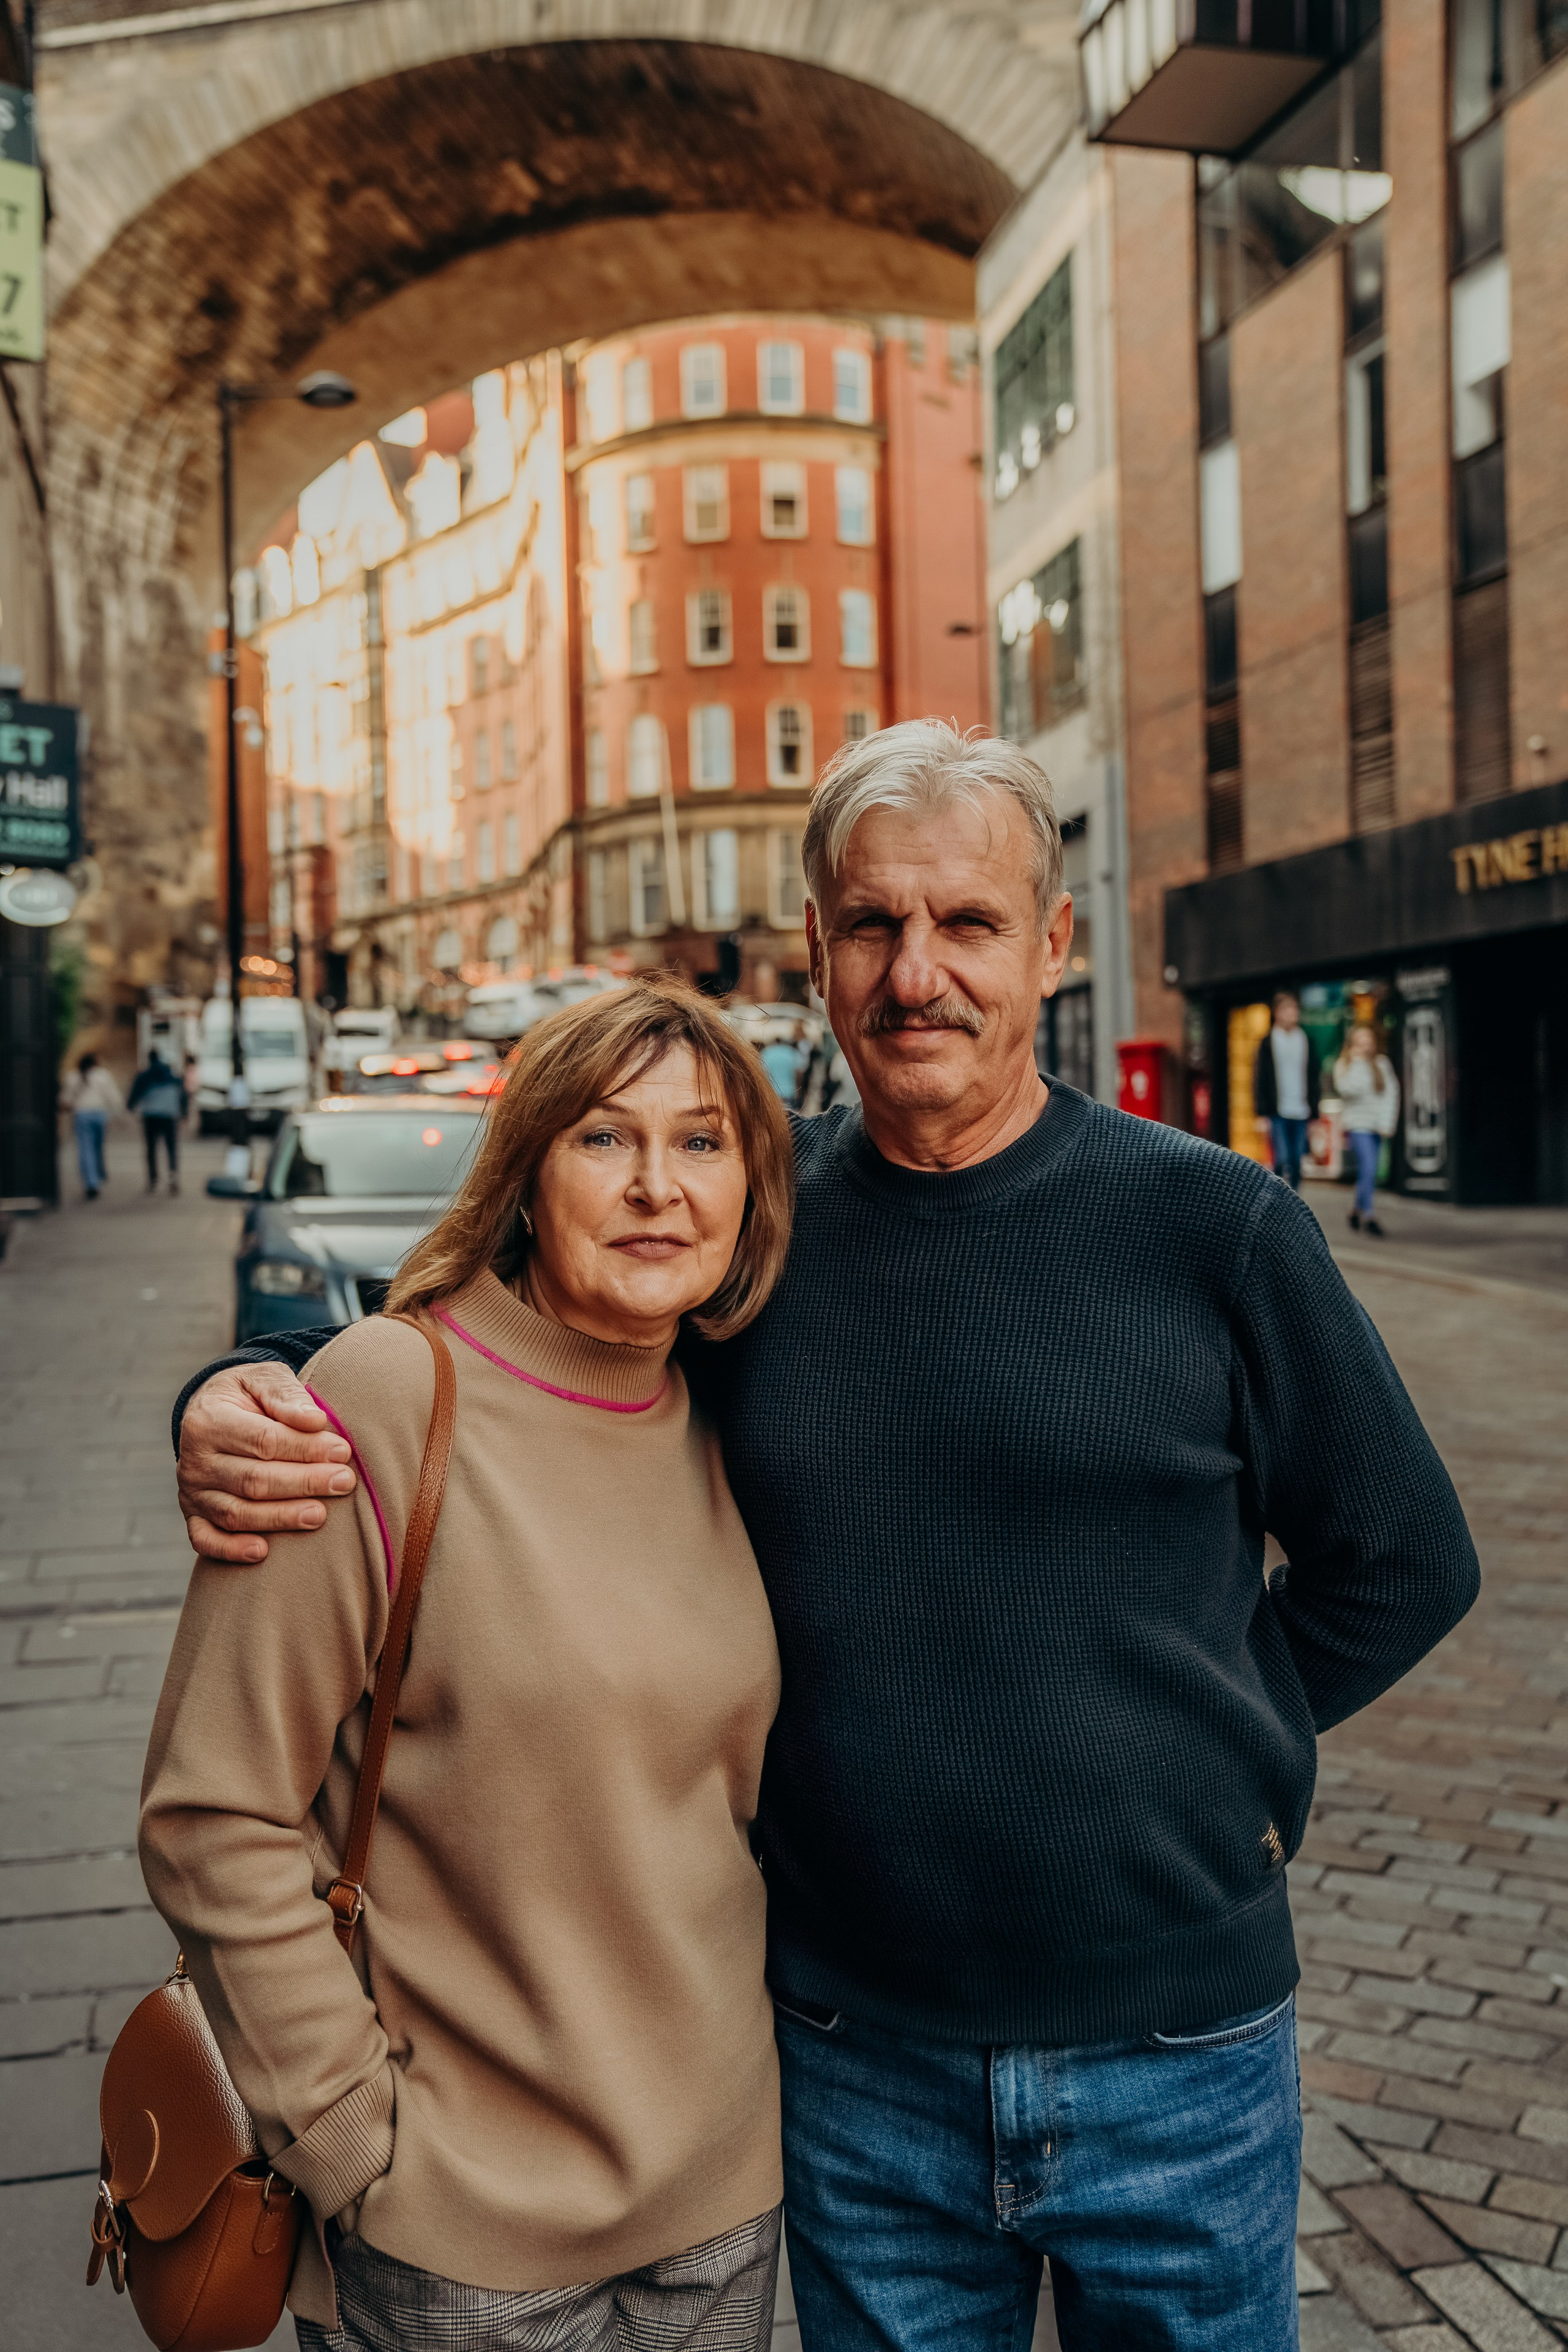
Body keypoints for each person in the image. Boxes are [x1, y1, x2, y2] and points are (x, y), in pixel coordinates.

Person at [172, 722, 1478, 2350]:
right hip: (862, 2073)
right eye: (872, 926)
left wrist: (1221, 1735)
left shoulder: (1217, 1226)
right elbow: (531, 1356)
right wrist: (244, 1390)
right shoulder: (755, 1245)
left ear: (1052, 947)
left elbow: (1408, 1560)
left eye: (968, 924)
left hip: (1180, 2057)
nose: (915, 972)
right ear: (819, 949)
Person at [140, 979, 794, 2348]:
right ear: (526, 1172)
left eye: (703, 1142)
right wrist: (350, 2142)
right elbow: (214, 1812)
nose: (657, 1188)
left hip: (721, 2214)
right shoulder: (389, 1395)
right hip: (459, 2241)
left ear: (753, 1193)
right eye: (605, 1140)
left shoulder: (735, 1416)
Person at [1335, 1020, 1400, 1237]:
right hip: (1358, 1125)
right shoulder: (1345, 1065)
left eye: (1368, 1041)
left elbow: (1391, 1095)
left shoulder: (1382, 1064)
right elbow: (1348, 1090)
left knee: (1367, 1171)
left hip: (1377, 1126)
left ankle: (1355, 1209)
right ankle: (1370, 1215)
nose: (1365, 1046)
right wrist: (1357, 1064)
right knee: (1370, 1167)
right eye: (1360, 1042)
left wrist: (1387, 1123)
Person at [1253, 990, 1321, 1189]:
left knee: (1297, 1160)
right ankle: (1278, 1198)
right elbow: (1260, 1080)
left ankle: (1295, 1200)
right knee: (1281, 1158)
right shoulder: (1268, 1043)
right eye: (1288, 1010)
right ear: (1278, 1013)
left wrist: (1315, 1112)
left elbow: (1313, 1078)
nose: (1292, 1014)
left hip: (1301, 1109)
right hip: (1277, 1111)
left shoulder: (1306, 1040)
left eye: (1295, 1010)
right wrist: (1261, 1113)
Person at [59, 1051, 123, 1199]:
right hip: (100, 1115)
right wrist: (118, 1114)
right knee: (98, 1147)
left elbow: (65, 1099)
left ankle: (91, 1182)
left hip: (81, 1115)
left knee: (85, 1149)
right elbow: (113, 1096)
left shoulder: (73, 1077)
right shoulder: (103, 1075)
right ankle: (99, 1174)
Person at [128, 1048, 187, 1194]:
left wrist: (130, 1106)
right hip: (169, 1116)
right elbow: (183, 1094)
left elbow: (135, 1095)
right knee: (171, 1147)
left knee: (151, 1149)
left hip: (151, 1116)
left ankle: (153, 1179)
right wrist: (184, 1113)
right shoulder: (172, 1076)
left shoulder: (144, 1076)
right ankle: (173, 1176)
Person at [760, 1020, 807, 1107]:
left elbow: (762, 1074)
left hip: (772, 1094)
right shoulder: (792, 1053)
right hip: (789, 1093)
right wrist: (799, 1090)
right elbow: (799, 1073)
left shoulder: (766, 1053)